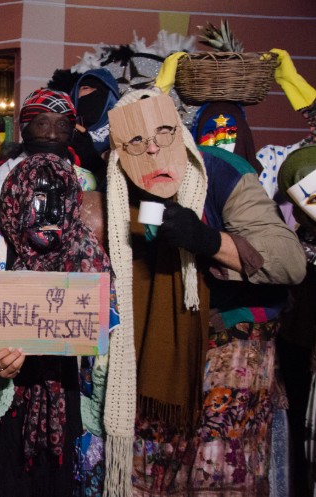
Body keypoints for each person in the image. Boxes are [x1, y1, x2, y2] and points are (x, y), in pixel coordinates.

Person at [102, 89, 306, 496]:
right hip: (149, 354)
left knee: (218, 475)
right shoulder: (114, 184)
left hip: (229, 344)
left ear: (180, 131)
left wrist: (211, 241)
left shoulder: (221, 170)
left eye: (163, 133)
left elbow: (291, 261)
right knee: (149, 474)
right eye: (136, 140)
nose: (153, 148)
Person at [0, 153, 117, 497]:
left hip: (66, 398)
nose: (49, 212)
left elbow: (108, 335)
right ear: (17, 200)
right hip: (7, 402)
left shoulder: (86, 252)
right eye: (38, 200)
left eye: (58, 200)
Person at [0, 87, 98, 231]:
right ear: (25, 128)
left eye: (62, 125)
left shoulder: (85, 180)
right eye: (42, 124)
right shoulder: (0, 177)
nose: (52, 135)